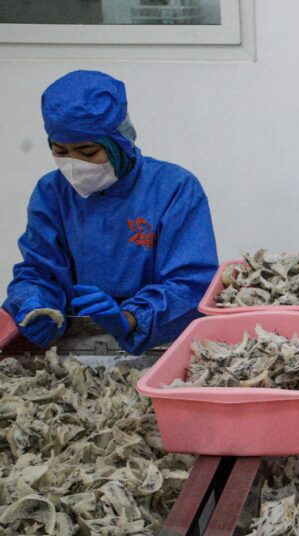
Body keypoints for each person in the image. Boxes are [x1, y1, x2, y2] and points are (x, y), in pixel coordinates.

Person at [2, 70, 218, 355]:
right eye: (60, 152)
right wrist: (36, 304)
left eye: (88, 153)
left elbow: (192, 284)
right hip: (74, 347)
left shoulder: (174, 189)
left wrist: (131, 318)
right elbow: (40, 270)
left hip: (161, 345)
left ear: (120, 141)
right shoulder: (51, 193)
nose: (74, 165)